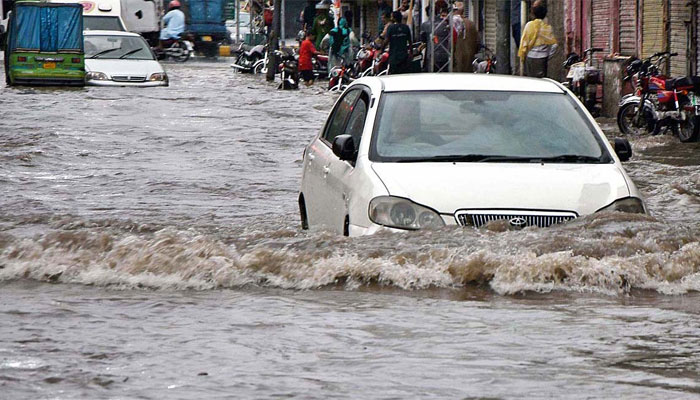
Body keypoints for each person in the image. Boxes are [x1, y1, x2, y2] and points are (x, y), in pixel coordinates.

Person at [518, 0, 557, 78]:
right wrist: (548, 55)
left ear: (534, 14)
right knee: (542, 79)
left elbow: (524, 42)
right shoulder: (547, 28)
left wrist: (523, 55)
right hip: (543, 58)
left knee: (531, 80)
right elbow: (554, 45)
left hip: (530, 57)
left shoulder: (529, 26)